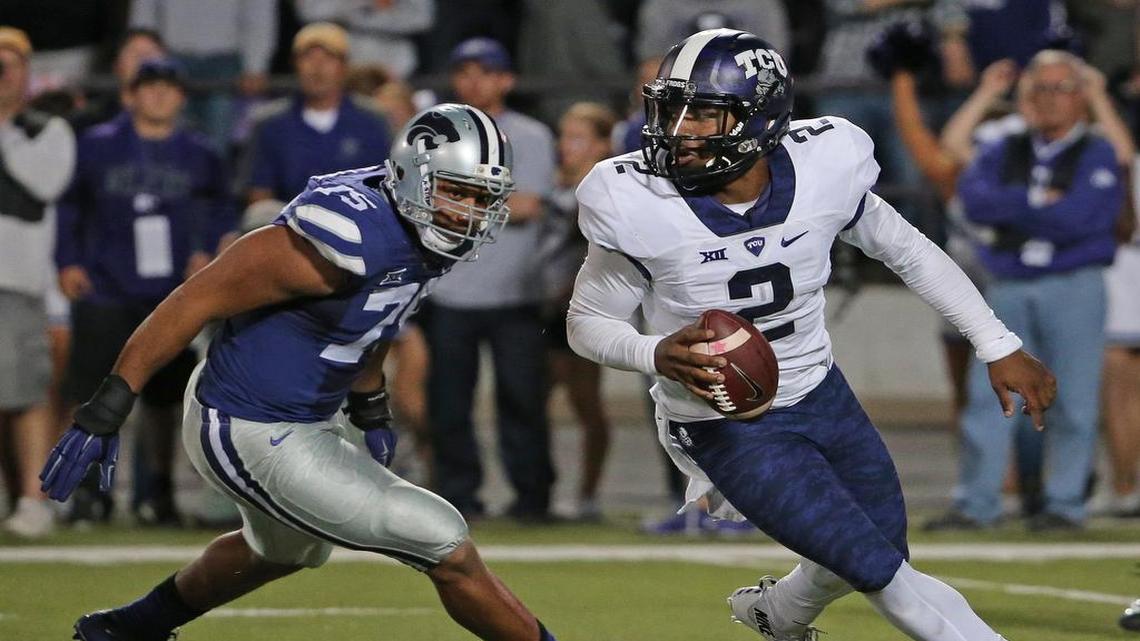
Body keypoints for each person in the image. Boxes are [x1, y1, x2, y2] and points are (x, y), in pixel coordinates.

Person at [566, 28, 1056, 641]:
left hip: (821, 392)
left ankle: (780, 612)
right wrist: (654, 351)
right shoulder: (634, 197)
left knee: (876, 548)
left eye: (705, 114)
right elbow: (585, 321)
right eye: (671, 110)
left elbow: (908, 250)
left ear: (759, 119)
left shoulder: (825, 164)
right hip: (723, 420)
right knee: (880, 572)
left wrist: (998, 343)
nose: (680, 130)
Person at [40, 103, 559, 641]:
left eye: (483, 197)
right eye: (457, 192)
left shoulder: (423, 228)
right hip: (243, 421)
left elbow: (380, 312)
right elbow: (192, 301)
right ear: (412, 178)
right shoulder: (341, 237)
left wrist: (369, 402)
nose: (470, 211)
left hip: (306, 416)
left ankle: (123, 630)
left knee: (284, 549)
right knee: (443, 540)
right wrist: (109, 405)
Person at [933, 49, 1125, 532]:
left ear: (1081, 97)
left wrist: (1017, 209)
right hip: (1010, 283)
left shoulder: (1098, 150)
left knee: (1075, 399)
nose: (1050, 98)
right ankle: (977, 502)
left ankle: (1065, 503)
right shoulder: (1006, 146)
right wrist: (1039, 203)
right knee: (989, 397)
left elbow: (1084, 217)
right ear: (1026, 95)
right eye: (1041, 88)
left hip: (1074, 284)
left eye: (1062, 88)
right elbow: (975, 200)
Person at [55, 57, 235, 527]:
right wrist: (68, 261)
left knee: (165, 399)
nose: (158, 95)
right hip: (106, 285)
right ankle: (89, 493)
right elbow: (70, 206)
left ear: (181, 96)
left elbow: (222, 208)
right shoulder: (97, 145)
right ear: (130, 94)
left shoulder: (199, 151)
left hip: (172, 292)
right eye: (149, 86)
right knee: (95, 391)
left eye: (167, 87)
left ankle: (159, 491)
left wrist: (210, 251)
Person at [426, 38, 556, 521]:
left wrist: (459, 202)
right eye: (465, 72)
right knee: (448, 404)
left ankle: (532, 499)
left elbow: (529, 206)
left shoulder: (531, 135)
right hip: (449, 290)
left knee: (522, 400)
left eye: (485, 72)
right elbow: (423, 201)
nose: (474, 81)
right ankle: (458, 496)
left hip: (515, 292)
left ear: (507, 80)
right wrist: (487, 202)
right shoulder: (437, 133)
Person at [0, 26, 76, 538]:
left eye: (9, 64)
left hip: (15, 277)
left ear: (27, 72)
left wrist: (5, 128)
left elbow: (43, 182)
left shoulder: (47, 129)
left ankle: (33, 498)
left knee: (25, 393)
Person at [541, 102, 618, 521]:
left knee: (585, 402)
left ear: (602, 144)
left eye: (577, 138)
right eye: (564, 137)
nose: (565, 146)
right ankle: (540, 490)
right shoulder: (550, 182)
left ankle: (587, 494)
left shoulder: (605, 188)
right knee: (531, 400)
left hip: (579, 306)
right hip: (539, 301)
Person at [241, 22, 391, 209]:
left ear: (344, 66)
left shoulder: (372, 120)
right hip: (290, 221)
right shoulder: (271, 123)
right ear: (295, 65)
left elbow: (389, 187)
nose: (317, 67)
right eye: (308, 57)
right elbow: (259, 193)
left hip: (359, 221)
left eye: (328, 58)